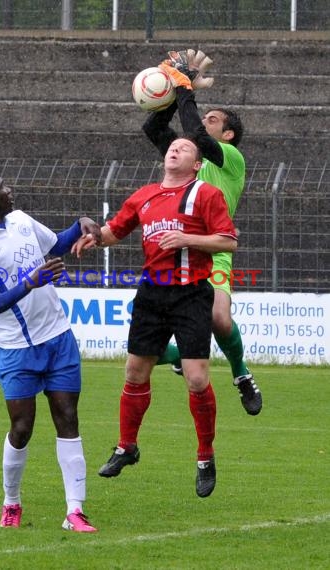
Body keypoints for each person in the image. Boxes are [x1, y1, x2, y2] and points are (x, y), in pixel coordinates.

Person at [74, 136, 237, 498]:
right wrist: (91, 236)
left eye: (185, 149)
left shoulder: (206, 194)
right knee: (134, 371)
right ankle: (127, 447)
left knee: (196, 379)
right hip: (152, 293)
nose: (175, 150)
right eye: (172, 147)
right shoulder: (144, 195)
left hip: (192, 293)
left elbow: (228, 241)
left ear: (196, 164)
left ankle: (205, 456)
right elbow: (114, 231)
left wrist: (188, 240)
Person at [0, 171, 100, 532]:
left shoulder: (20, 220)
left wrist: (79, 224)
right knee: (21, 428)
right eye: (2, 187)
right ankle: (11, 502)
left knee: (68, 417)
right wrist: (30, 283)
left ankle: (75, 511)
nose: (10, 189)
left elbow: (58, 244)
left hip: (58, 337)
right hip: (18, 350)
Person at [142, 48, 262, 416]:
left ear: (226, 134)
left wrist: (184, 87)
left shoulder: (230, 159)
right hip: (173, 251)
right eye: (204, 117)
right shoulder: (191, 160)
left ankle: (241, 375)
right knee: (148, 347)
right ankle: (183, 354)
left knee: (219, 318)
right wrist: (171, 95)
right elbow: (153, 129)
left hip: (214, 248)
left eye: (212, 120)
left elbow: (193, 130)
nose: (202, 123)